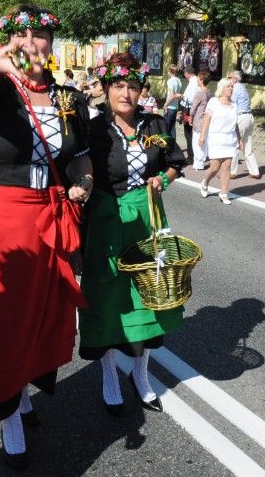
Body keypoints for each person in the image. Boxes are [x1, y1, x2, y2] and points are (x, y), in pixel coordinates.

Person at [0, 4, 92, 468]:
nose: (30, 43)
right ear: (9, 41)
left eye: (40, 35)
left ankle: (23, 388)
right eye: (21, 35)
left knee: (38, 315)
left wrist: (85, 182)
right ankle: (6, 411)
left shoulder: (69, 98)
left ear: (51, 42)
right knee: (4, 319)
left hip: (46, 217)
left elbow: (80, 156)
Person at [80, 53, 185, 415]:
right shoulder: (93, 129)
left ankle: (141, 375)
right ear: (107, 88)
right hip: (106, 221)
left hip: (147, 219)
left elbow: (175, 163)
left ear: (142, 90)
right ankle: (109, 374)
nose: (125, 94)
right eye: (118, 86)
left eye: (133, 87)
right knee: (107, 299)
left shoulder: (154, 123)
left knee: (150, 294)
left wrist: (162, 180)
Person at [198, 78, 240, 205]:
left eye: (232, 87)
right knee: (215, 167)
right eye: (228, 87)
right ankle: (205, 181)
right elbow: (207, 119)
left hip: (230, 138)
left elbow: (236, 124)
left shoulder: (234, 105)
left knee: (227, 165)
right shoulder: (214, 102)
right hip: (216, 137)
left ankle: (224, 193)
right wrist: (202, 136)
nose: (231, 89)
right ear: (222, 88)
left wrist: (239, 139)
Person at [229, 70, 260, 178]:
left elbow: (232, 104)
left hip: (241, 117)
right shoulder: (243, 87)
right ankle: (254, 171)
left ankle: (231, 172)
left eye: (229, 77)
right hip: (249, 116)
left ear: (234, 79)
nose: (228, 80)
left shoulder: (235, 88)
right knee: (248, 145)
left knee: (236, 144)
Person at [189, 70, 211, 170]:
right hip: (207, 120)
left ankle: (198, 163)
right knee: (204, 141)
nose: (197, 80)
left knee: (196, 142)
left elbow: (193, 108)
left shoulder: (199, 93)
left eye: (198, 78)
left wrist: (191, 117)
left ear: (202, 80)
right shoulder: (209, 92)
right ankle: (200, 162)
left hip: (198, 120)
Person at [180, 65, 198, 163]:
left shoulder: (193, 82)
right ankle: (194, 155)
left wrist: (180, 96)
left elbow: (189, 99)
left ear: (187, 73)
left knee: (189, 134)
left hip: (189, 109)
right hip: (193, 109)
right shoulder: (196, 81)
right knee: (192, 134)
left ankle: (191, 157)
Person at [163, 64, 183, 138]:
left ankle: (166, 144)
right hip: (175, 107)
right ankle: (173, 144)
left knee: (165, 128)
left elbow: (172, 95)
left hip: (170, 107)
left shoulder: (170, 81)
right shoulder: (179, 81)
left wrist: (165, 105)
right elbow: (179, 94)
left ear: (169, 71)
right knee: (172, 128)